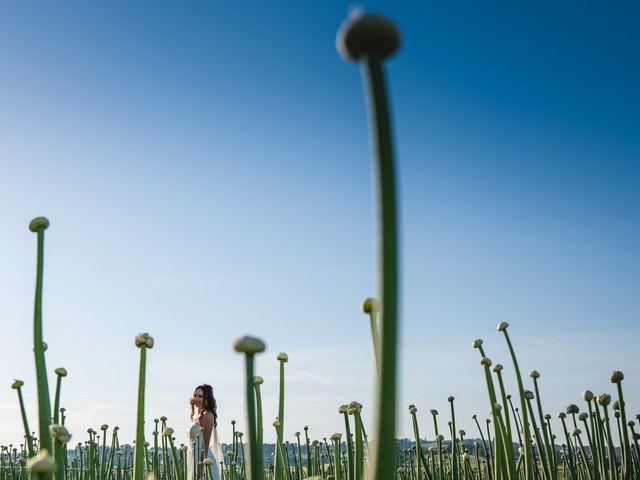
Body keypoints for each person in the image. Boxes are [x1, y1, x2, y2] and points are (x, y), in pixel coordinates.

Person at [187, 384, 223, 480]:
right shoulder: (195, 416)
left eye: (200, 396)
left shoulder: (208, 416)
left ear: (206, 399)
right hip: (192, 456)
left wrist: (200, 469)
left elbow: (205, 447)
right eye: (195, 395)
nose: (196, 398)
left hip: (203, 459)